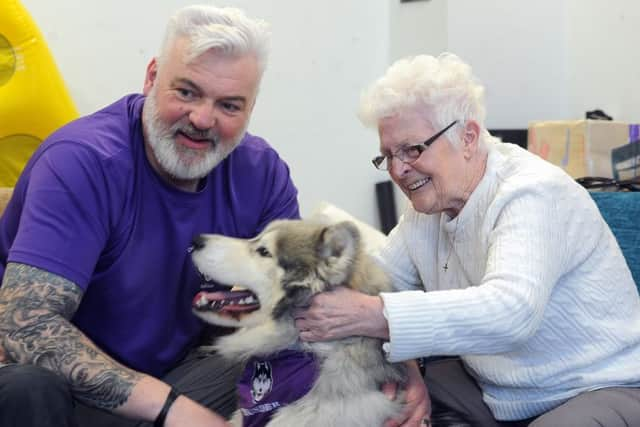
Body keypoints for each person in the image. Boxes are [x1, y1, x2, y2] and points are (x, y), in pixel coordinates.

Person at [294, 53, 640, 426]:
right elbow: (373, 282)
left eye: (412, 149)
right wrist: (407, 366)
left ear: (468, 137)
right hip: (493, 388)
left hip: (593, 386)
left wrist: (373, 315)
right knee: (372, 400)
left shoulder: (532, 191)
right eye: (388, 156)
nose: (397, 170)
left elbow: (510, 313)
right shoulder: (425, 213)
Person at [0, 5, 300, 427]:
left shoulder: (262, 172)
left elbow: (298, 302)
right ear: (152, 77)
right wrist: (173, 411)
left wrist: (394, 370)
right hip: (65, 397)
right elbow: (26, 326)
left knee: (293, 358)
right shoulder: (82, 161)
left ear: (250, 108)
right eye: (187, 92)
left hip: (176, 377)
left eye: (229, 105)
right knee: (28, 387)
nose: (202, 119)